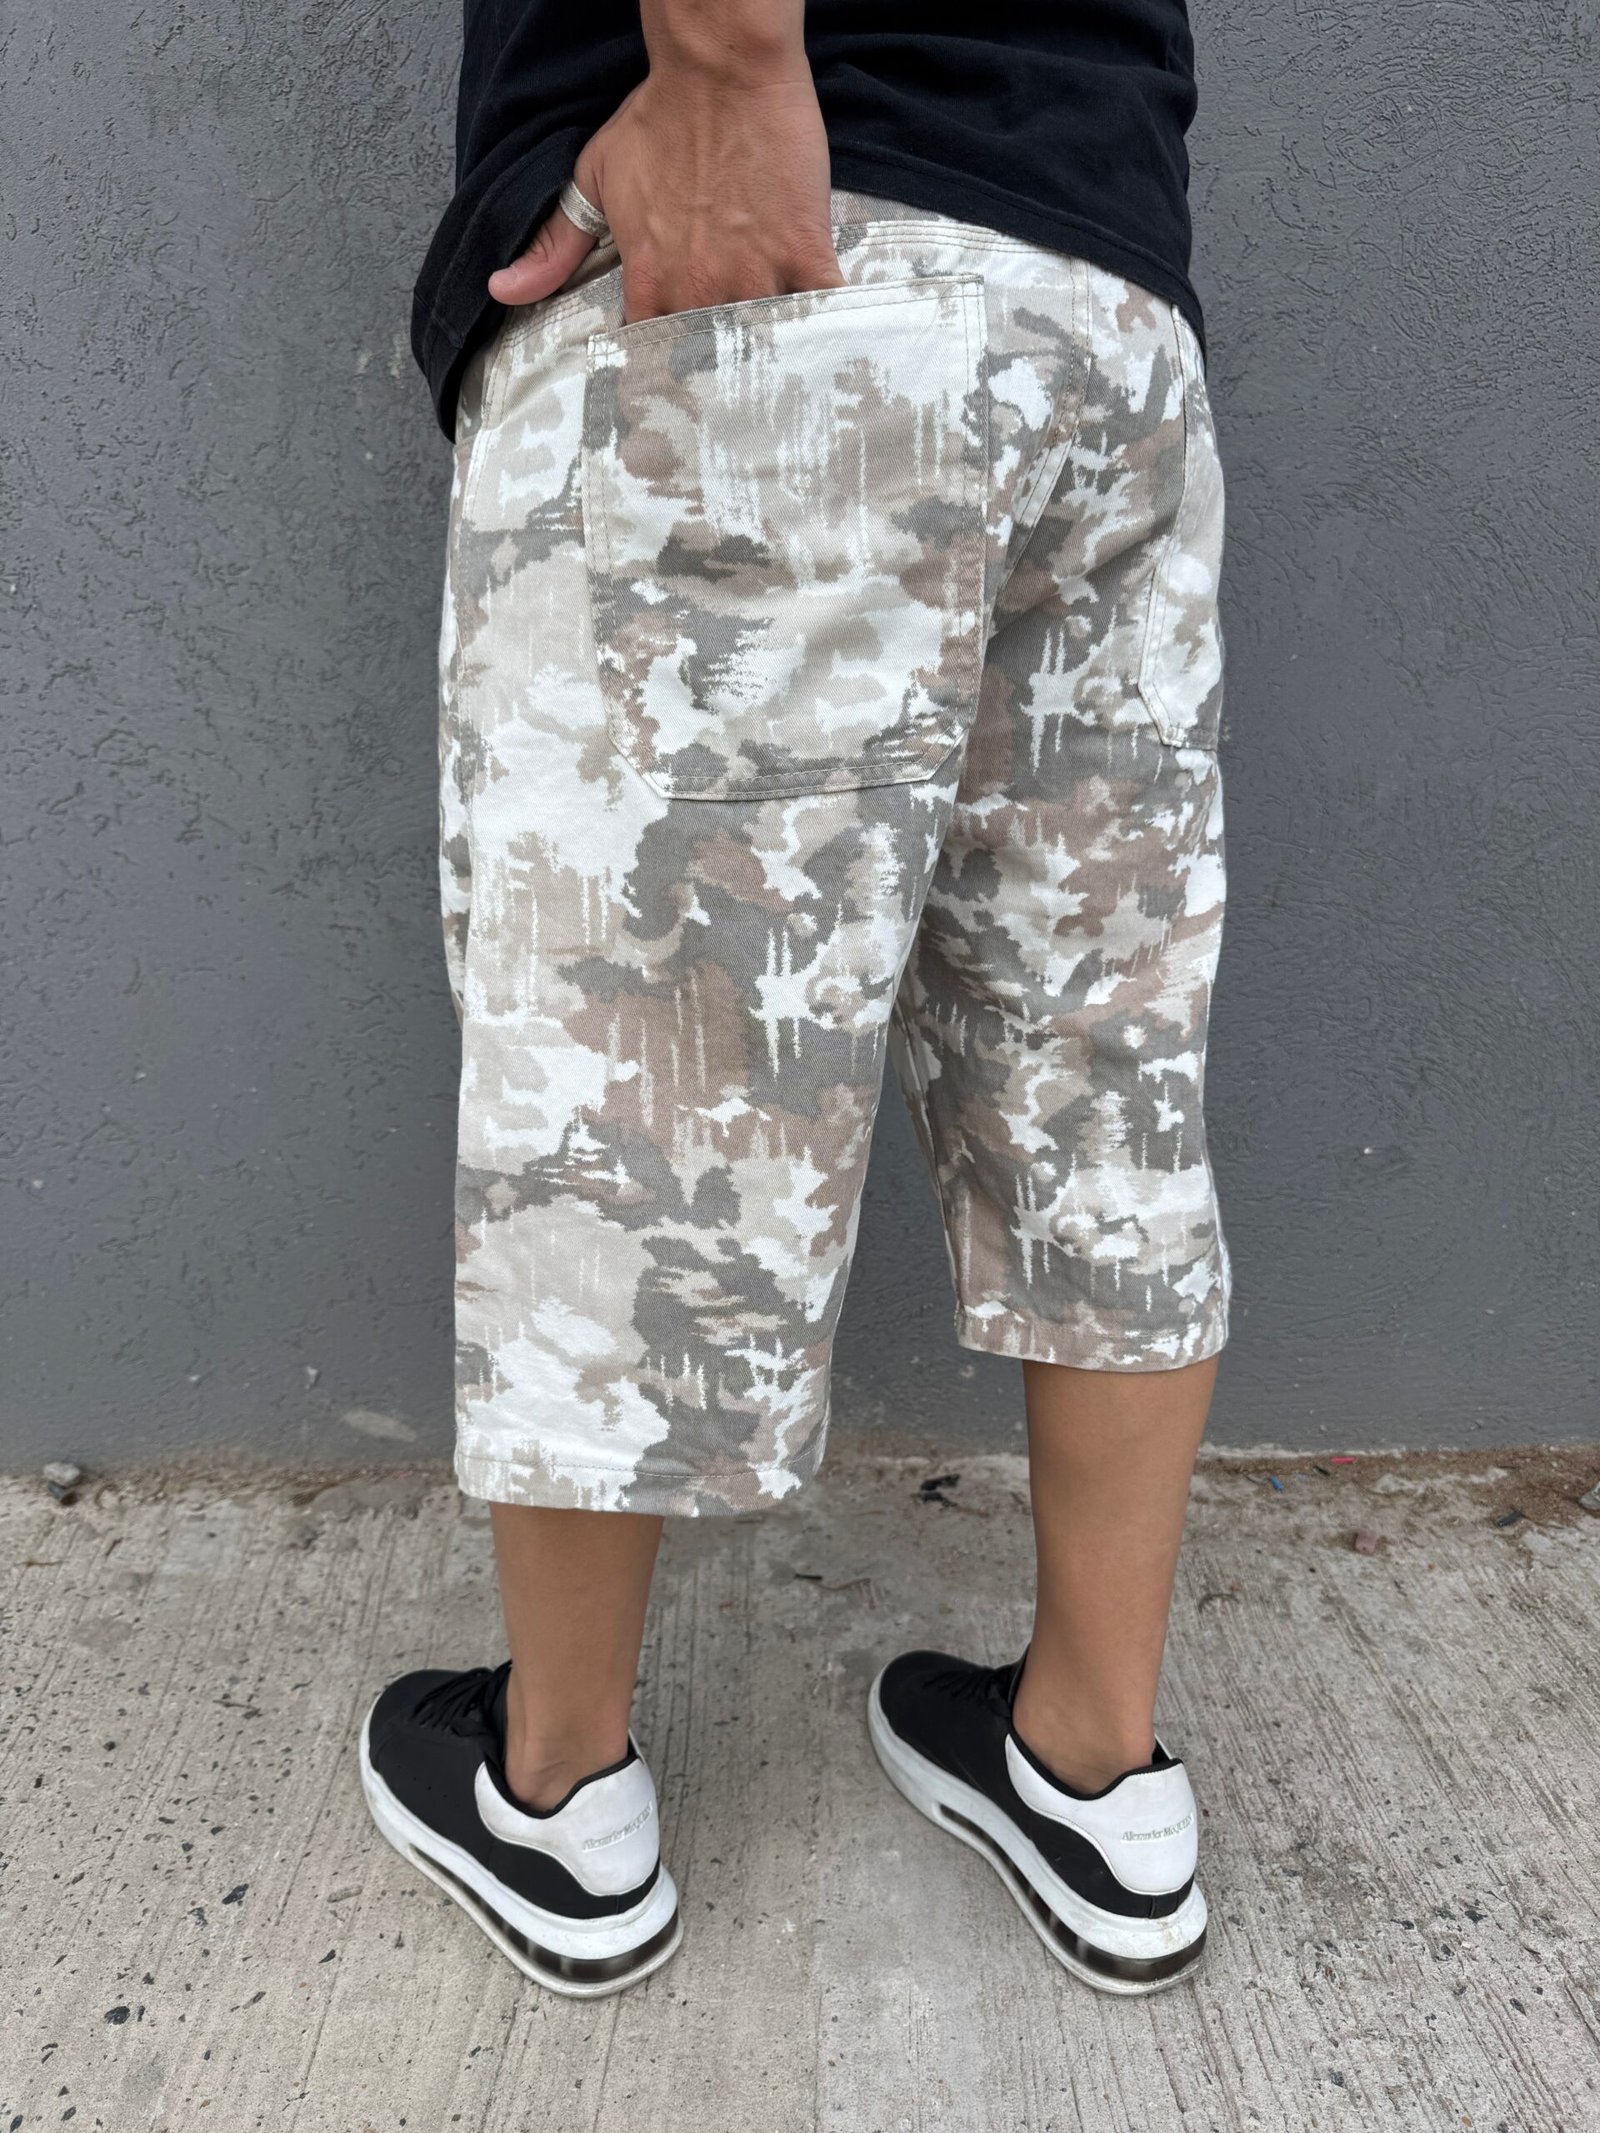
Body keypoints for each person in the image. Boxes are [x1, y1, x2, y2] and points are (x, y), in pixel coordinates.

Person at [359, 0, 1228, 1999]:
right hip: (1101, 303)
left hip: (784, 250)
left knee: (634, 1067)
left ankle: (555, 1789)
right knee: (1096, 1061)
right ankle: (1093, 1765)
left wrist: (729, 70)